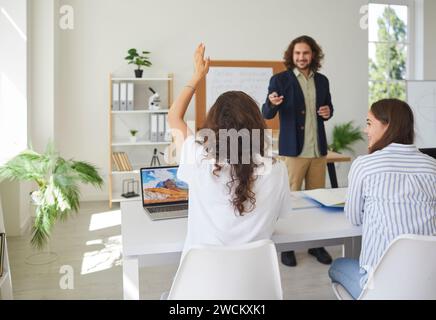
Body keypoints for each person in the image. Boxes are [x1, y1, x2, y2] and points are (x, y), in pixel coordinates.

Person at [168, 44, 293, 259]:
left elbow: (173, 117)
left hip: (200, 285)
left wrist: (197, 76)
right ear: (257, 125)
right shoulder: (276, 168)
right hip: (253, 287)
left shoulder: (198, 157)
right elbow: (279, 217)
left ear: (213, 125)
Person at [328, 98, 436, 299]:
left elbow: (354, 218)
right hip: (427, 285)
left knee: (337, 266)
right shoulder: (432, 166)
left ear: (388, 126)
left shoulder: (365, 165)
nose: (365, 130)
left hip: (379, 288)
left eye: (369, 123)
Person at [262, 35, 334, 267]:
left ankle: (316, 244)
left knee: (319, 201)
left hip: (318, 149)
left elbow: (328, 108)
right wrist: (272, 103)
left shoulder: (322, 81)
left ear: (313, 55)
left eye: (305, 53)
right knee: (291, 200)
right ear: (291, 56)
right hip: (293, 150)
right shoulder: (279, 80)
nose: (301, 57)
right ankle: (288, 247)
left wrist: (327, 112)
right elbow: (267, 112)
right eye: (297, 54)